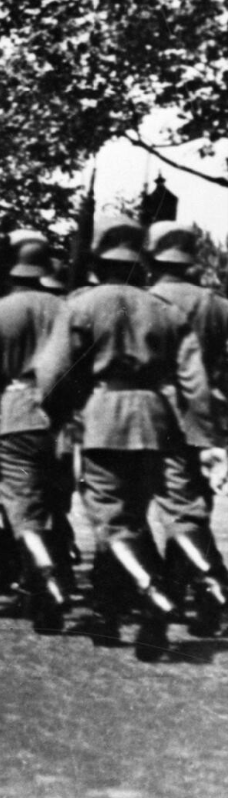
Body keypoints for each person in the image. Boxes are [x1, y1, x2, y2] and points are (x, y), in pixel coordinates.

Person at [35, 216, 203, 652]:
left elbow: (53, 374)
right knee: (138, 515)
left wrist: (59, 413)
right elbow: (194, 380)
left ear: (97, 259)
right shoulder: (166, 309)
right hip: (156, 418)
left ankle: (150, 594)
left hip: (103, 416)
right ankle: (113, 610)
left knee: (112, 519)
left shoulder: (81, 305)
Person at [0, 231, 71, 631]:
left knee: (23, 507)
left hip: (18, 416)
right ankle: (44, 579)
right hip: (67, 421)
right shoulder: (67, 307)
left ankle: (46, 581)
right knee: (55, 504)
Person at [141, 221, 228, 636]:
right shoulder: (217, 304)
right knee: (193, 511)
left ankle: (203, 586)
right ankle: (186, 593)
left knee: (135, 510)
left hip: (154, 413)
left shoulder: (142, 301)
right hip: (206, 415)